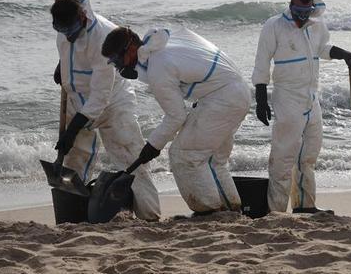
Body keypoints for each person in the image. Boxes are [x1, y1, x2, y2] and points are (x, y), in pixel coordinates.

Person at [101, 25, 250, 215]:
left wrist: (153, 145)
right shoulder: (161, 42)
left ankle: (209, 211)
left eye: (116, 60)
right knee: (213, 160)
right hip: (232, 92)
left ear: (130, 49)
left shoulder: (158, 67)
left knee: (184, 155)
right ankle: (231, 210)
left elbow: (176, 116)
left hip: (222, 99)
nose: (117, 66)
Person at [50, 0, 160, 221]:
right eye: (61, 31)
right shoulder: (65, 29)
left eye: (70, 31)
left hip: (113, 104)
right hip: (76, 99)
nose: (67, 37)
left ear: (82, 18)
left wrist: (72, 130)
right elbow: (69, 49)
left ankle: (150, 216)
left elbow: (101, 95)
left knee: (130, 158)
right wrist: (62, 65)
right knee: (74, 159)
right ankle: (73, 216)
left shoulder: (102, 36)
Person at [252, 0, 351, 214]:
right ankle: (276, 210)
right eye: (298, 11)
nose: (302, 17)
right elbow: (262, 63)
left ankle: (304, 206)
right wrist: (261, 99)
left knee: (308, 155)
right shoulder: (274, 26)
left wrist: (345, 55)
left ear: (311, 8)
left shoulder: (316, 25)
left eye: (306, 12)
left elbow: (323, 49)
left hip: (312, 97)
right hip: (287, 98)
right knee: (282, 157)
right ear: (291, 5)